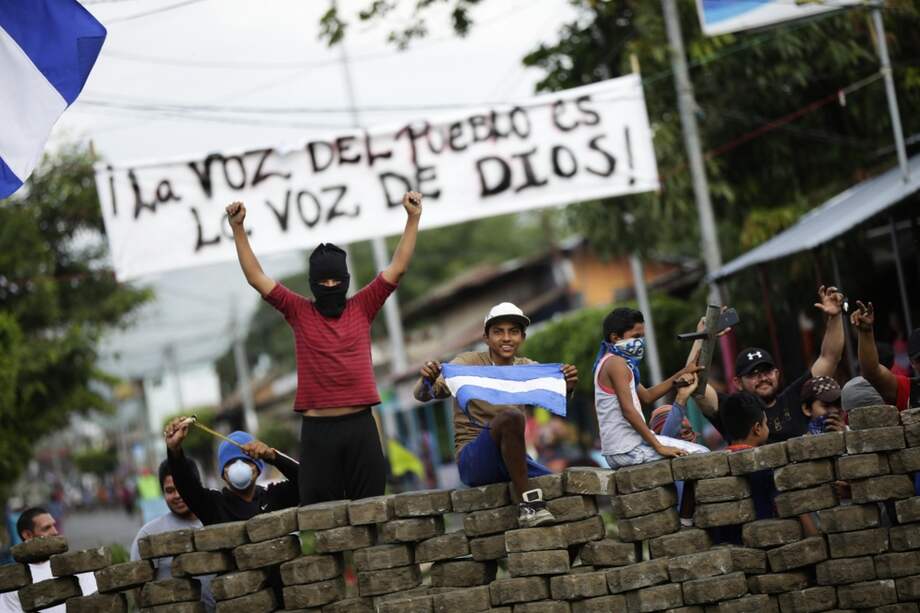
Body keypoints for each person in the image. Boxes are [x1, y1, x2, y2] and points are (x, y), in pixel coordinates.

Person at [226, 191, 422, 504]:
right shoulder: (298, 310)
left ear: (345, 280)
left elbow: (397, 267)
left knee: (371, 510)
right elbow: (256, 277)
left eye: (336, 281)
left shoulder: (363, 306)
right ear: (312, 284)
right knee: (321, 515)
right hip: (318, 432)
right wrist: (238, 228)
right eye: (323, 283)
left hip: (361, 427)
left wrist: (413, 218)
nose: (330, 287)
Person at [413, 302, 578, 527]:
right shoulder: (467, 364)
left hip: (515, 459)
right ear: (486, 338)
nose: (506, 338)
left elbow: (555, 393)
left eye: (513, 332)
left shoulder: (527, 368)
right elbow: (424, 394)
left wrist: (567, 384)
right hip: (475, 459)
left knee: (567, 495)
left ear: (522, 337)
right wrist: (427, 380)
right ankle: (528, 506)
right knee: (511, 417)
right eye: (498, 332)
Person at [696, 286, 846, 443]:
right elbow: (697, 387)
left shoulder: (796, 397)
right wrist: (703, 338)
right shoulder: (733, 411)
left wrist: (835, 317)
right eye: (753, 373)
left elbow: (830, 357)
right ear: (738, 383)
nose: (762, 378)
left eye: (766, 371)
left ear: (777, 374)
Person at [593, 307, 707, 469]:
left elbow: (647, 396)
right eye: (636, 336)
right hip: (627, 450)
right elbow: (628, 411)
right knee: (701, 454)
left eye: (642, 337)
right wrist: (658, 447)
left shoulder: (618, 363)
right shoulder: (616, 364)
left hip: (627, 448)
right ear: (615, 337)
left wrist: (683, 372)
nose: (640, 342)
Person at [163, 422, 299, 525]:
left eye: (246, 461)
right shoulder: (213, 505)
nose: (238, 467)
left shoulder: (273, 496)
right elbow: (187, 486)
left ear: (258, 469)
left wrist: (273, 457)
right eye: (230, 463)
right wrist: (174, 451)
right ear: (224, 473)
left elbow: (306, 481)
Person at [130, 459, 214, 611]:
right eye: (170, 490)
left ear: (198, 485)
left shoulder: (216, 524)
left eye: (183, 487)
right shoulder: (148, 534)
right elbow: (138, 593)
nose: (177, 495)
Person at [0, 508, 97, 613]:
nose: (55, 532)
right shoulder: (12, 580)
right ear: (28, 535)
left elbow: (94, 604)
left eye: (54, 526)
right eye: (46, 528)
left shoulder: (76, 566)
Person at [850, 301, 919, 410]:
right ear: (913, 363)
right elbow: (872, 372)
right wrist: (866, 333)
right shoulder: (910, 390)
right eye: (919, 359)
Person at [649, 373, 704, 445]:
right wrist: (681, 397)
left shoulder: (700, 449)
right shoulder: (666, 444)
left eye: (683, 418)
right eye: (676, 423)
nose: (685, 423)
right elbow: (666, 438)